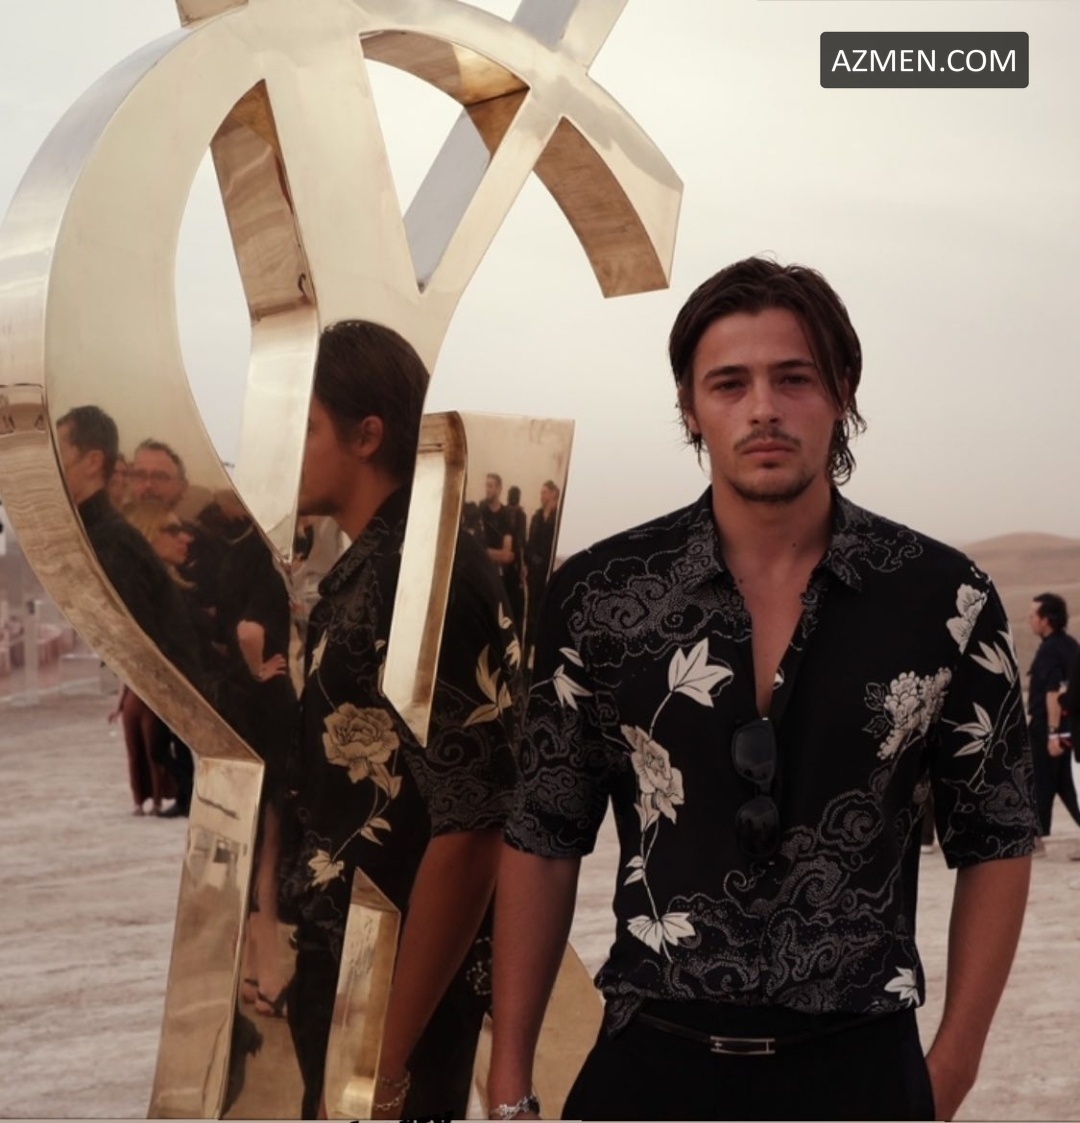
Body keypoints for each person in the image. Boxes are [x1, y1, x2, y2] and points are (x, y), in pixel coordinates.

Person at [488, 258, 1037, 1122]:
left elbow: (996, 837)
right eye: (730, 383)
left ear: (842, 391)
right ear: (690, 406)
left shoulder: (944, 598)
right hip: (650, 1065)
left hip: (863, 1069)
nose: (763, 408)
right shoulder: (601, 595)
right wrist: (509, 1086)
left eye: (794, 378)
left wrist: (952, 1069)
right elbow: (544, 837)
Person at [278, 320, 520, 1119]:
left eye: (307, 427)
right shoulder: (379, 566)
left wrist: (383, 1062)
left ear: (367, 434)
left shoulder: (419, 576)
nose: (285, 450)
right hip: (349, 959)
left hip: (395, 985)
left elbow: (473, 825)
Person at [1026, 593, 1080, 843]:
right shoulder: (1070, 645)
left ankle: (1036, 837)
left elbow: (1053, 692)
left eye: (1033, 616)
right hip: (1070, 726)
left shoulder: (1049, 651)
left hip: (1050, 726)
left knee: (1042, 780)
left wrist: (1052, 733)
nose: (1029, 620)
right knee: (1061, 781)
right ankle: (1037, 835)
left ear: (1046, 619)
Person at [523, 480, 560, 661]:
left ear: (553, 493)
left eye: (545, 492)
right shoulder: (537, 517)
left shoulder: (558, 518)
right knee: (531, 612)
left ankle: (539, 655)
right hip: (535, 573)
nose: (542, 496)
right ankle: (526, 654)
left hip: (549, 573)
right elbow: (530, 544)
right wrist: (532, 561)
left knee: (545, 613)